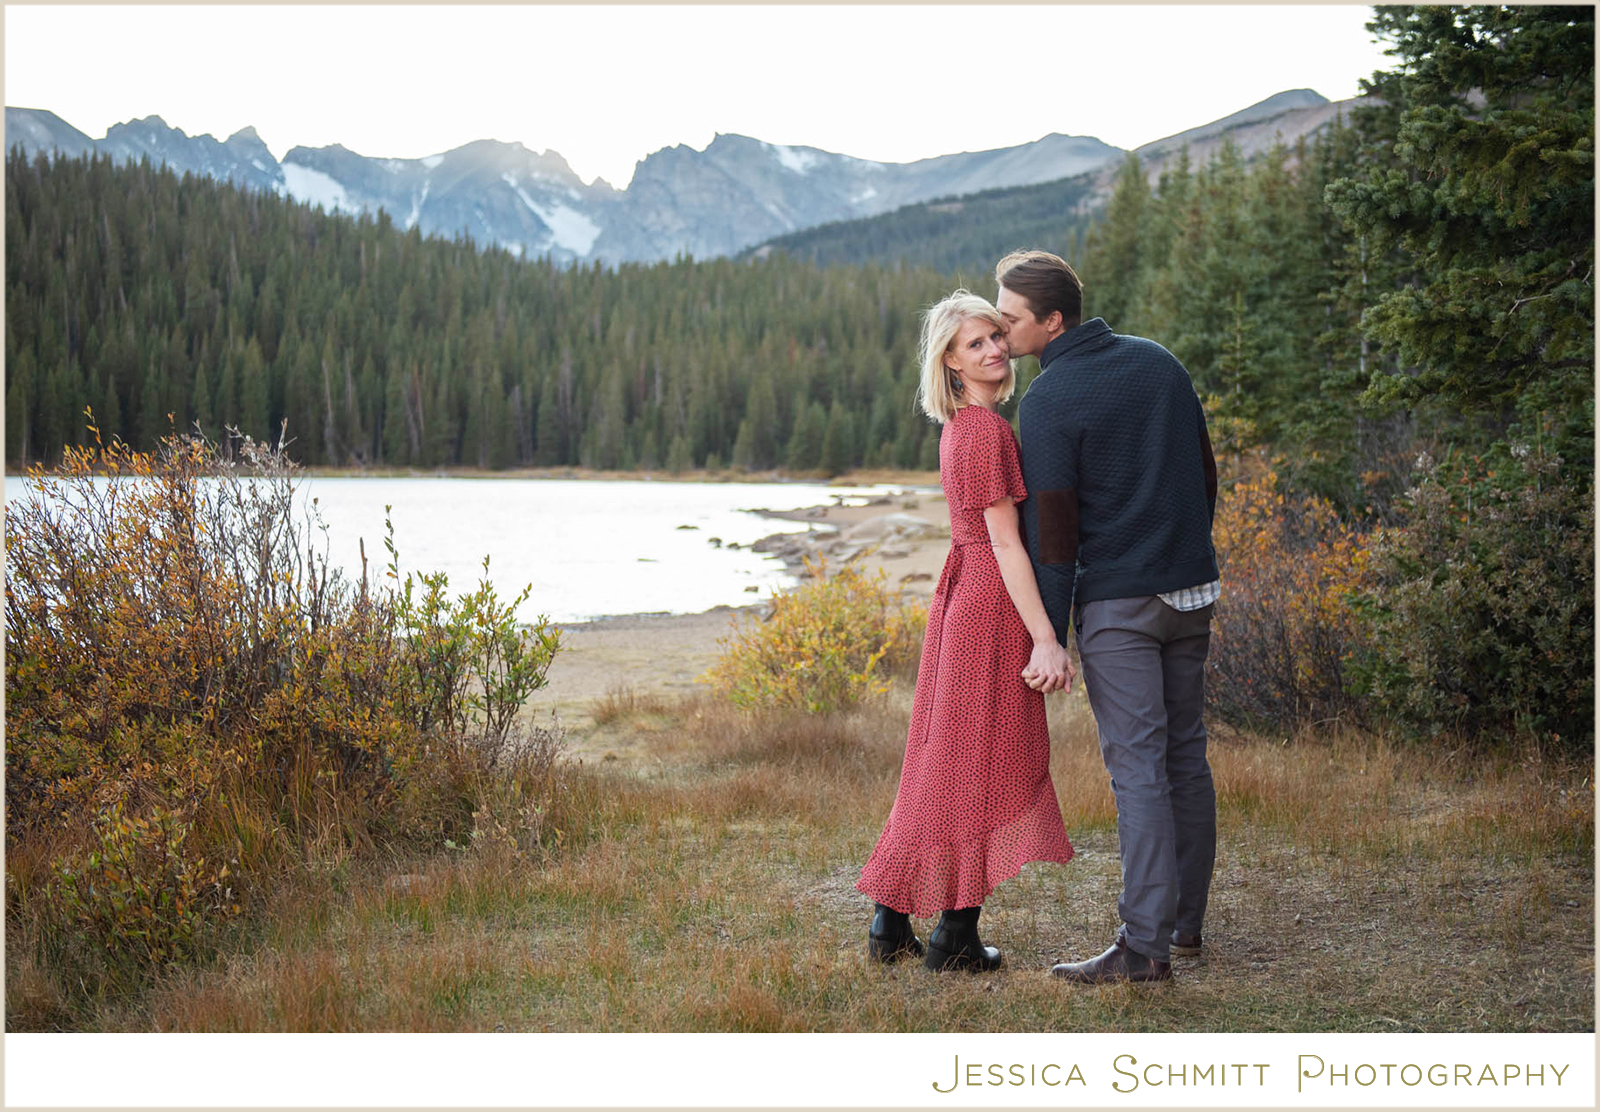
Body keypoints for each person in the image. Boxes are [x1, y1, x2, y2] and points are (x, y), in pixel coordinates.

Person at [995, 249, 1219, 986]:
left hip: (1122, 606)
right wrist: (1185, 553)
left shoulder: (1051, 399)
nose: (1000, 332)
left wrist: (1046, 635)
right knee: (1184, 754)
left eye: (1011, 318)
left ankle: (1145, 948)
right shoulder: (1159, 362)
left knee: (1140, 773)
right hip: (1191, 592)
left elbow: (1054, 537)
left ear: (1052, 321)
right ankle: (1183, 926)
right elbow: (1204, 471)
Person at [856, 289, 1075, 973]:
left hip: (967, 594)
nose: (994, 349)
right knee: (978, 758)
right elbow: (1007, 544)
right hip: (987, 599)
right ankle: (953, 932)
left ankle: (894, 919)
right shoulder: (982, 432)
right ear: (950, 361)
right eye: (975, 343)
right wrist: (1046, 636)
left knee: (946, 758)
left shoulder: (964, 428)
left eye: (996, 336)